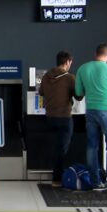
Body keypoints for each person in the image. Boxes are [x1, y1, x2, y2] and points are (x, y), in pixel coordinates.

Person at [74, 43, 107, 194]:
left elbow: (78, 92)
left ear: (95, 53)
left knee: (92, 146)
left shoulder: (83, 68)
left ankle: (96, 182)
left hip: (90, 110)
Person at [38, 51, 76, 187]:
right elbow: (78, 96)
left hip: (50, 117)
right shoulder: (70, 78)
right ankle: (57, 179)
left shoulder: (46, 76)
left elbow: (41, 92)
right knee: (62, 149)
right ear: (67, 62)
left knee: (55, 146)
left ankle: (55, 174)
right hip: (64, 118)